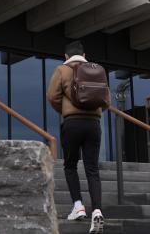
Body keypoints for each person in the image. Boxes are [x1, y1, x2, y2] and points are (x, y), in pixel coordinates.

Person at [47, 41, 110, 234]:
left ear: (66, 56)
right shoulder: (98, 70)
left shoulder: (62, 70)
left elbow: (52, 96)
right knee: (92, 169)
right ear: (84, 54)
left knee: (70, 165)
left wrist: (66, 110)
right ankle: (97, 211)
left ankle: (78, 206)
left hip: (72, 123)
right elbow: (106, 101)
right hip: (93, 125)